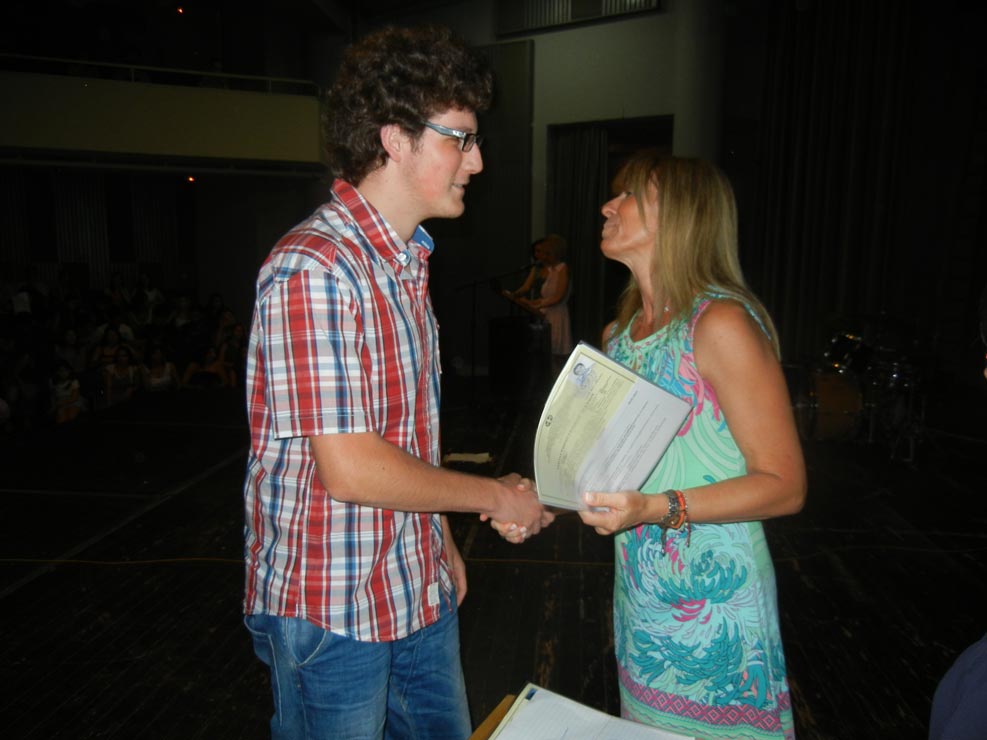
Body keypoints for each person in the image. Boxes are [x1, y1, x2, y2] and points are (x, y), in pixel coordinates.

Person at [242, 25, 552, 740]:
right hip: (331, 607)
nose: (477, 160)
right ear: (394, 139)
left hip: (411, 585)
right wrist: (496, 495)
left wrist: (438, 539)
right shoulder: (314, 268)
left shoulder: (406, 262)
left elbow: (403, 437)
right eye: (460, 138)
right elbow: (352, 469)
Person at [576, 152, 807, 738]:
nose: (608, 206)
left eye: (629, 195)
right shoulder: (618, 336)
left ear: (680, 216)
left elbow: (784, 486)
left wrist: (656, 508)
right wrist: (540, 494)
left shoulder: (720, 324)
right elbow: (617, 470)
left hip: (718, 608)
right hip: (642, 594)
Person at [510, 234, 572, 368]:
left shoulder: (562, 268)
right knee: (544, 355)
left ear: (555, 252)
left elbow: (559, 297)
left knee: (556, 355)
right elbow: (539, 293)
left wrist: (535, 304)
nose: (543, 256)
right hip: (545, 314)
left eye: (546, 252)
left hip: (557, 315)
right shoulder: (549, 270)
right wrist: (518, 297)